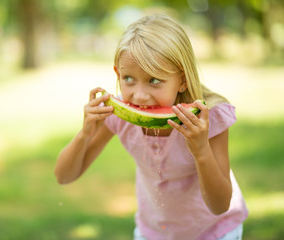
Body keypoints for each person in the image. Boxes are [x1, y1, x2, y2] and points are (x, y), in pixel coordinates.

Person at [55, 14, 248, 240]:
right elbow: (64, 176)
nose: (139, 95)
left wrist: (201, 149)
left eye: (154, 80)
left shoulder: (209, 119)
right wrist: (85, 133)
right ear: (117, 73)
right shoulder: (118, 115)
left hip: (213, 232)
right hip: (152, 233)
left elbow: (220, 205)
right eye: (128, 78)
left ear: (183, 80)